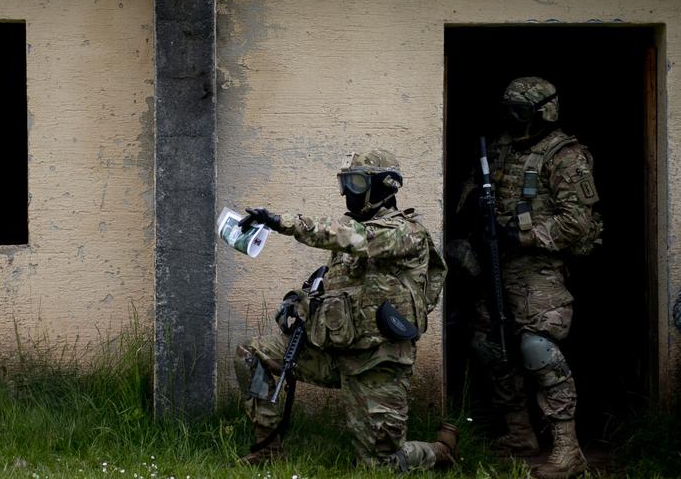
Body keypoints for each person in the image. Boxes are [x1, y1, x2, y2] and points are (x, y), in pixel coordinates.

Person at [233, 150, 456, 471]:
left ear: (383, 185)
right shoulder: (353, 231)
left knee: (379, 465)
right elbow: (343, 294)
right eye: (344, 182)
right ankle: (267, 450)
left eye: (355, 182)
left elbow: (350, 238)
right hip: (332, 354)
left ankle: (439, 452)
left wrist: (282, 222)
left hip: (377, 363)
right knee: (250, 356)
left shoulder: (405, 233)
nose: (347, 191)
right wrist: (300, 304)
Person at [461, 77, 601, 479]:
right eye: (507, 111)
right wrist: (472, 203)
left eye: (519, 112)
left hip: (538, 267)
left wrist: (520, 234)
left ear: (544, 112)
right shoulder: (499, 147)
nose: (511, 119)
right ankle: (520, 434)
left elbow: (576, 224)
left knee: (537, 349)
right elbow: (473, 188)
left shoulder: (565, 156)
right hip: (495, 263)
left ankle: (568, 450)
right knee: (487, 344)